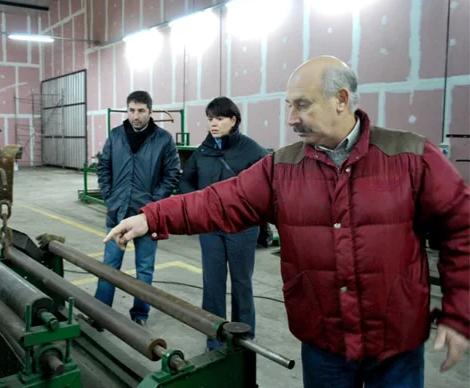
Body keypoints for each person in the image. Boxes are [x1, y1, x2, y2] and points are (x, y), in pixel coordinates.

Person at [103, 57, 470, 386]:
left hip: (397, 348)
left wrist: (460, 313)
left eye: (302, 105)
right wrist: (151, 217)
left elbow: (462, 230)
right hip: (324, 344)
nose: (291, 118)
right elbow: (219, 201)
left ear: (341, 100)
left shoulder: (410, 157)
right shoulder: (283, 167)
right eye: (289, 106)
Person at [178, 96, 267, 351]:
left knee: (241, 281)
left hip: (242, 228)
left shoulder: (252, 150)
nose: (213, 124)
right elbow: (186, 180)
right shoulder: (203, 150)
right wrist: (195, 203)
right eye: (210, 119)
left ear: (233, 120)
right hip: (210, 228)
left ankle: (244, 335)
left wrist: (251, 213)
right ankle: (214, 336)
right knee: (213, 282)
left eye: (218, 118)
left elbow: (266, 187)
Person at [94, 90, 180, 328]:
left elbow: (171, 174)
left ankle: (139, 315)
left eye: (141, 111)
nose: (136, 116)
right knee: (109, 266)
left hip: (147, 217)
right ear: (127, 110)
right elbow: (103, 168)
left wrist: (153, 205)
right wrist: (110, 197)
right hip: (117, 212)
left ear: (150, 112)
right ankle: (100, 313)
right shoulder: (116, 136)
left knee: (144, 269)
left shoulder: (163, 139)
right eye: (131, 110)